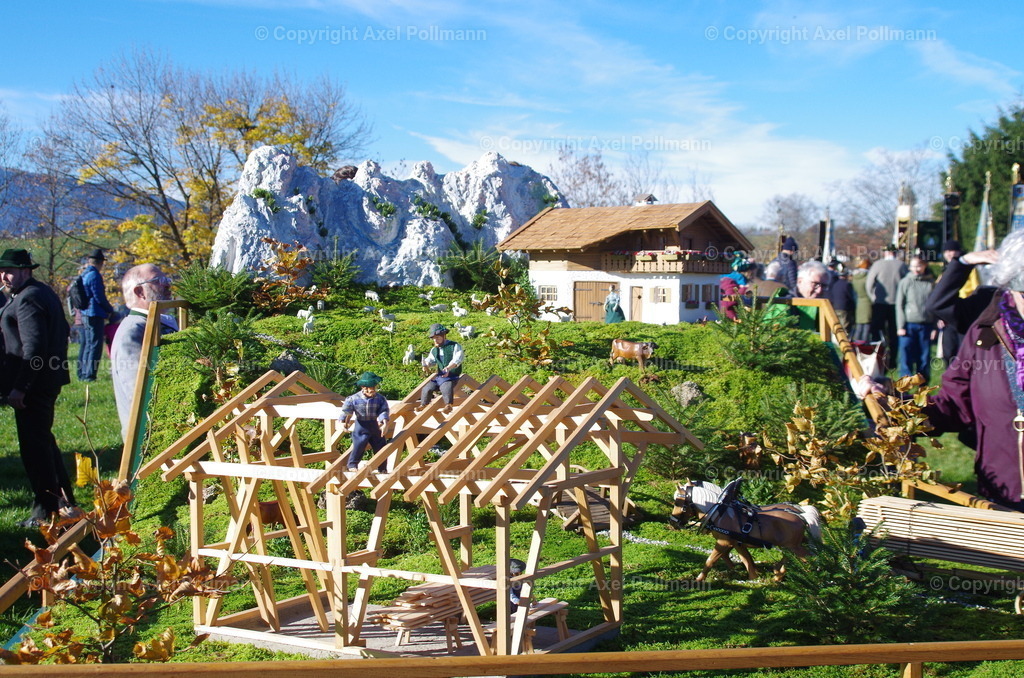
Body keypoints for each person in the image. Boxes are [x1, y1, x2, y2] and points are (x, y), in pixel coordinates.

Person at [923, 230, 1024, 510]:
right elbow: (955, 406)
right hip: (1004, 490)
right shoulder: (984, 332)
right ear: (1010, 286)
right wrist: (895, 408)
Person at [0, 248, 76, 527]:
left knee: (35, 450)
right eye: (2, 270)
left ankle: (46, 513)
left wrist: (21, 387)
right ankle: (63, 503)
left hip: (33, 385)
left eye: (10, 270)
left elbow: (34, 349)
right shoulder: (39, 292)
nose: (4, 276)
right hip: (45, 380)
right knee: (44, 443)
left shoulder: (29, 298)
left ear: (25, 270)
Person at [110, 264, 176, 442]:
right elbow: (140, 392)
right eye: (159, 281)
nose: (167, 286)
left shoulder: (158, 322)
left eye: (167, 280)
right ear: (140, 292)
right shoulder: (133, 331)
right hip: (150, 439)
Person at [339, 372, 391, 472]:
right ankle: (352, 465)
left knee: (380, 445)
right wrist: (342, 421)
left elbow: (383, 410)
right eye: (369, 388)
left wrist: (384, 422)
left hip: (373, 424)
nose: (372, 391)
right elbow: (346, 411)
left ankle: (382, 468)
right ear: (363, 387)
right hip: (361, 424)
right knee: (359, 444)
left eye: (373, 387)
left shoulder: (380, 399)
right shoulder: (353, 399)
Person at [866, 245, 908, 369]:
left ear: (885, 252)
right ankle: (893, 361)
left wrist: (873, 297)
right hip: (896, 304)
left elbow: (869, 284)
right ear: (895, 253)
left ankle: (876, 359)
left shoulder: (877, 265)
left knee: (876, 333)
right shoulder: (901, 265)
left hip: (880, 303)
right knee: (894, 334)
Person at [895, 257, 936, 381]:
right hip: (908, 325)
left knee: (923, 357)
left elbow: (934, 305)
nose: (916, 269)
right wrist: (900, 326)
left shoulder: (930, 283)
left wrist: (934, 326)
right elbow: (899, 305)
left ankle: (922, 385)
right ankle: (905, 384)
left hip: (925, 325)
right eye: (913, 266)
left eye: (918, 266)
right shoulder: (905, 282)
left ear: (924, 266)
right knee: (906, 355)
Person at [77, 248, 114, 382]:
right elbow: (99, 296)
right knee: (95, 345)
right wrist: (110, 309)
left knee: (87, 344)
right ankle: (90, 374)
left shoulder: (84, 274)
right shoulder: (95, 275)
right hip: (94, 313)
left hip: (85, 312)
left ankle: (82, 372)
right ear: (100, 263)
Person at [419, 323, 464, 413]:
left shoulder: (454, 346)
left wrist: (449, 368)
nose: (436, 340)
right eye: (434, 338)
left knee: (446, 386)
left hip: (452, 375)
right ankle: (424, 404)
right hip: (440, 376)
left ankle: (448, 405)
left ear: (444, 336)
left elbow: (457, 359)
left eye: (438, 338)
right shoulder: (434, 350)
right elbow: (431, 360)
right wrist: (426, 364)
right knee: (427, 388)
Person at [934, 239, 965, 366]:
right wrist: (939, 316)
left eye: (953, 251)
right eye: (947, 251)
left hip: (962, 317)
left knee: (962, 352)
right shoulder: (944, 272)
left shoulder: (967, 270)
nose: (950, 254)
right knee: (948, 351)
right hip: (947, 319)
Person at [827, 267, 856, 336]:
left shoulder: (835, 284)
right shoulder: (847, 285)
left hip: (835, 308)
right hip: (844, 308)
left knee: (837, 326)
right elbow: (851, 296)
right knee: (845, 328)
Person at [849, 257, 872, 342]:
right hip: (867, 302)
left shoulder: (855, 277)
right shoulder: (867, 277)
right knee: (866, 325)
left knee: (859, 325)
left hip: (858, 302)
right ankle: (864, 344)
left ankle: (856, 343)